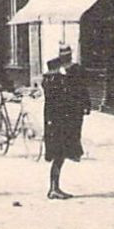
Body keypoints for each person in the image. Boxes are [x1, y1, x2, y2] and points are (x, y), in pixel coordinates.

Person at [41, 52, 90, 199]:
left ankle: (54, 187)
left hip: (57, 122)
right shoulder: (54, 83)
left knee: (59, 155)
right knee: (59, 154)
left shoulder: (53, 82)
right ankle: (53, 188)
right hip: (57, 124)